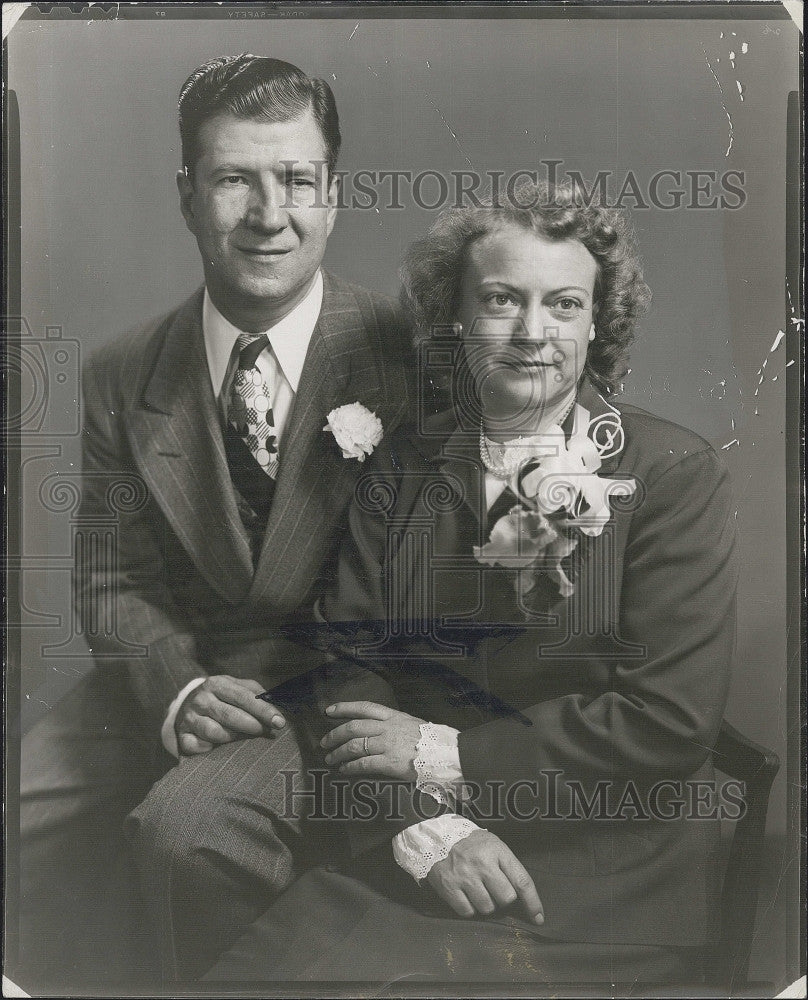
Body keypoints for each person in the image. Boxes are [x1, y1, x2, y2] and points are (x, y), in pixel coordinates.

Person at [205, 178, 738, 984]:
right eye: (500, 300)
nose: (533, 333)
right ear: (455, 318)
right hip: (426, 847)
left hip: (603, 874)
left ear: (599, 322)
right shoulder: (403, 463)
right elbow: (352, 665)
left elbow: (666, 720)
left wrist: (442, 750)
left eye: (563, 305)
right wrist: (426, 831)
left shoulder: (672, 474)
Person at [18, 54, 413, 986]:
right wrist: (176, 691)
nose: (269, 217)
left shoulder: (410, 354)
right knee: (21, 805)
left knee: (181, 838)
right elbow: (111, 581)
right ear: (188, 195)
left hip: (341, 691)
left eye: (297, 181)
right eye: (235, 179)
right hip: (191, 675)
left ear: (335, 193)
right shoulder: (124, 371)